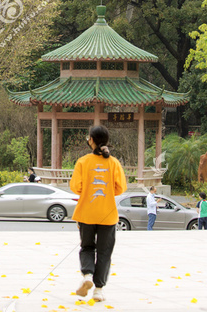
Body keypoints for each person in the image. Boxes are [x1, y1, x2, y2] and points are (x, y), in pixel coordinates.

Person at [70, 125, 126, 303]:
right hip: (107, 215)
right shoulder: (114, 163)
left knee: (87, 247)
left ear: (91, 140)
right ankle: (98, 290)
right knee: (104, 252)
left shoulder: (82, 162)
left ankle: (87, 275)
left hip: (86, 213)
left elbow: (75, 187)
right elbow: (120, 188)